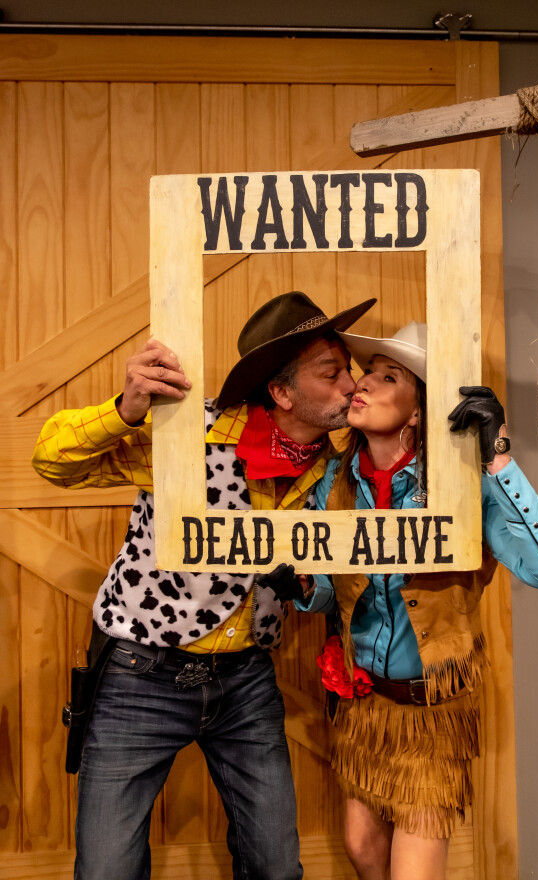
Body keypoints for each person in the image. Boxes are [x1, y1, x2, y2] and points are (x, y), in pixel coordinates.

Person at [31, 290, 375, 880]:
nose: (352, 384)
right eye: (332, 372)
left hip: (246, 679)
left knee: (275, 867)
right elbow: (52, 461)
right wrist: (125, 409)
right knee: (107, 870)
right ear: (282, 393)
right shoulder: (185, 432)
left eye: (351, 368)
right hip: (141, 675)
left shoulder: (336, 466)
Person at [294, 322, 538, 880]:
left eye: (388, 377)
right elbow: (329, 590)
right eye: (367, 373)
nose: (362, 384)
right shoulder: (336, 483)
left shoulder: (461, 487)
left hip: (431, 712)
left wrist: (497, 457)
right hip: (366, 709)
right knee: (362, 849)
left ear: (419, 410)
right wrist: (299, 584)